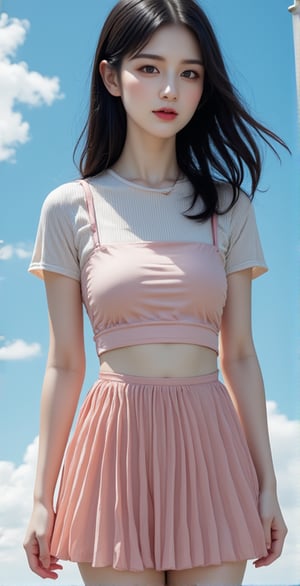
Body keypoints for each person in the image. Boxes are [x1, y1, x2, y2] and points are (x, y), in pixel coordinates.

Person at [23, 1, 288, 585]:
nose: (170, 88)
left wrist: (268, 486)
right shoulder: (70, 207)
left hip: (212, 445)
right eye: (149, 68)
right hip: (113, 446)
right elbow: (65, 364)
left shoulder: (228, 208)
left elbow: (239, 353)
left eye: (189, 73)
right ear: (111, 77)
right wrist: (42, 496)